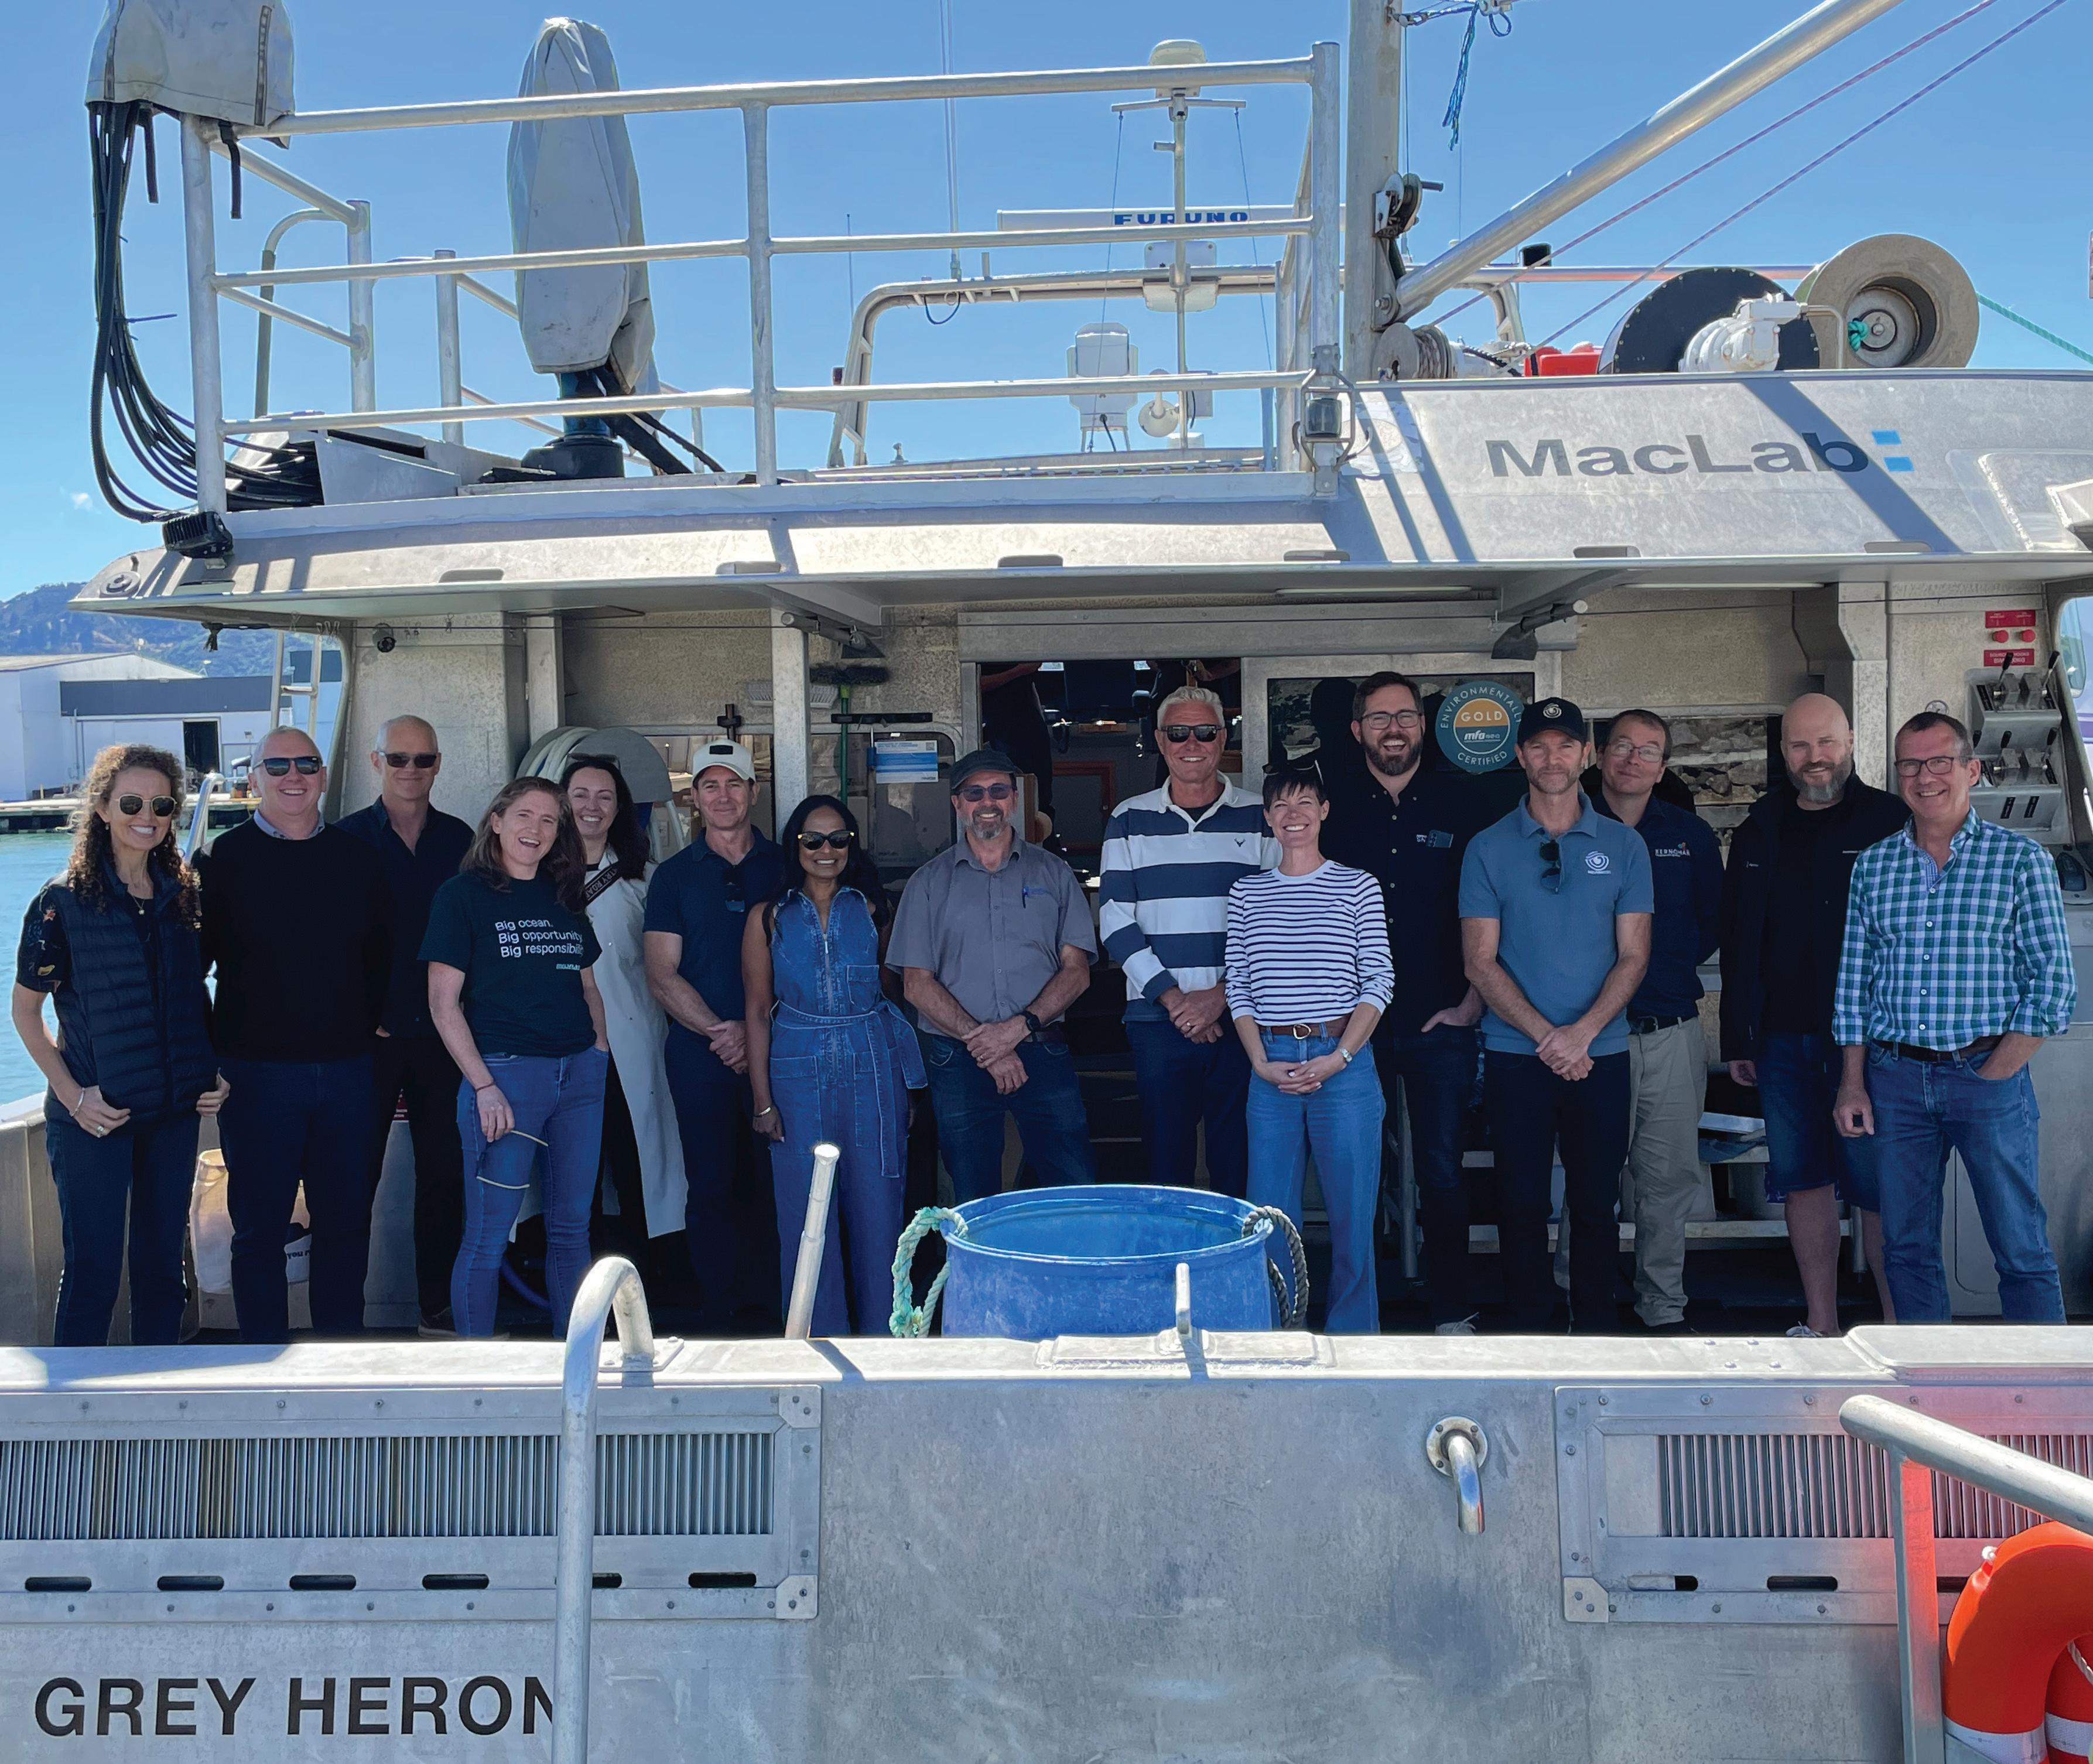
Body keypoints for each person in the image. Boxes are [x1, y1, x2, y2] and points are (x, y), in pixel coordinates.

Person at [1833, 710, 2075, 1324]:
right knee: (1906, 1248)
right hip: (1894, 1081)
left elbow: (2053, 985)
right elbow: (1853, 985)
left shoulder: (2020, 861)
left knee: (2019, 1247)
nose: (1925, 777)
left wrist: (1997, 1071)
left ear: (1972, 770)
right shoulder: (1873, 867)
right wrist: (1853, 1082)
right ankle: (1930, 1378)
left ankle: (2043, 1381)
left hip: (1985, 1074)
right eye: (1910, 765)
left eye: (1940, 762)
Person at [11, 746, 228, 1345]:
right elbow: (25, 1012)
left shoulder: (181, 893)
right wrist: (75, 1098)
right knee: (93, 1276)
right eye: (131, 803)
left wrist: (213, 1069)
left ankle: (157, 1396)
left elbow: (190, 994)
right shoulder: (61, 902)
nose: (146, 817)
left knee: (164, 1274)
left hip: (173, 1115)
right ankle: (74, 1403)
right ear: (103, 808)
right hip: (95, 1119)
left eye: (161, 805)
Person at [1459, 697, 1651, 1334]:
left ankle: (1594, 1335)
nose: (1552, 758)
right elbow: (1479, 962)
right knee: (1519, 1201)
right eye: (1539, 746)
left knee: (1596, 1201)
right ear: (1520, 756)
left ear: (1585, 754)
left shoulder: (1624, 846)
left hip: (1602, 1053)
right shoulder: (1487, 847)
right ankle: (1529, 1335)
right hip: (1517, 1056)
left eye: (1565, 745)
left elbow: (1634, 955)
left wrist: (1583, 1035)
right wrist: (1550, 1039)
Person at [1720, 692, 1905, 1336]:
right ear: (1784, 752)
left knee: (1880, 1188)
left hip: (1873, 1041)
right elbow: (1741, 936)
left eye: (1825, 742)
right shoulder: (1760, 825)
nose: (1814, 757)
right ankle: (1821, 1326)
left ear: (1850, 742)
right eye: (1800, 745)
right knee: (1802, 1181)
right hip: (1780, 1039)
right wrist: (1738, 1035)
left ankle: (1897, 1329)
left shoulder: (1890, 820)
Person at [200, 726, 388, 1343]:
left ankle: (339, 1360)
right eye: (276, 766)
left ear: (324, 776)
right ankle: (259, 1363)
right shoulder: (221, 862)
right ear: (254, 778)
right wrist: (207, 1058)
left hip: (348, 1073)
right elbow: (190, 969)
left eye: (306, 764)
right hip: (255, 1077)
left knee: (346, 1226)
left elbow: (383, 956)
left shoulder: (359, 859)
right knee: (259, 1232)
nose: (293, 776)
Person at [1323, 671, 1490, 1335]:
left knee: (1442, 1171)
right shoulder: (1331, 805)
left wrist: (1474, 1002)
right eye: (1379, 718)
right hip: (1352, 1025)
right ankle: (1359, 1314)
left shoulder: (1466, 805)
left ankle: (1452, 1309)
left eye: (1404, 717)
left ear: (1423, 725)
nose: (1393, 729)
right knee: (1353, 1173)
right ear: (1356, 729)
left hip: (1440, 1017)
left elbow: (1494, 911)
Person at [423, 777, 610, 1336]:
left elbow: (589, 987)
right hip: (505, 1079)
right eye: (524, 816)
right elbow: (442, 1005)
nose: (536, 830)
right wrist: (483, 1086)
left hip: (578, 1077)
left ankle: (574, 1362)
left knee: (572, 1231)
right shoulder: (462, 896)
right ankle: (477, 1371)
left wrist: (598, 1053)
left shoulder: (563, 895)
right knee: (487, 1237)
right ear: (497, 821)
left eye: (549, 820)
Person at [744, 796, 925, 1334]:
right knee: (806, 1212)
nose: (827, 850)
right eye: (814, 839)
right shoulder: (769, 916)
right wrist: (763, 1101)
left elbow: (896, 993)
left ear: (852, 845)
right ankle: (815, 1341)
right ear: (795, 845)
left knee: (879, 1208)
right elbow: (756, 1011)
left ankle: (886, 1339)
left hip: (872, 1065)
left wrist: (906, 1086)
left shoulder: (874, 909)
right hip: (796, 1068)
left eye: (839, 839)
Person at [888, 748, 1098, 1199]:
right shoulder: (928, 883)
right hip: (959, 1058)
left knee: (1072, 1186)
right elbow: (916, 984)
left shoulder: (1055, 873)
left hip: (1041, 1049)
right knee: (971, 1193)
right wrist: (987, 1045)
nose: (988, 801)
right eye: (975, 793)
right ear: (957, 804)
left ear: (1014, 799)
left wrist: (1016, 1030)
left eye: (999, 791)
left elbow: (1077, 972)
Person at [1225, 768, 1392, 1332]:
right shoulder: (1247, 893)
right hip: (1270, 1061)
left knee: (1352, 1214)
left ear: (1324, 811)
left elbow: (1379, 982)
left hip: (1343, 1062)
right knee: (1270, 1215)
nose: (1292, 814)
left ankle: (1354, 1340)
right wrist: (1258, 1061)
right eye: (1280, 805)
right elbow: (1239, 985)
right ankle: (1279, 1333)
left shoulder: (1358, 886)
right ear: (1267, 819)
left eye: (1304, 803)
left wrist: (1340, 1057)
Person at [1097, 685, 1275, 1198]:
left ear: (1224, 738)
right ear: (1160, 740)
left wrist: (1220, 997)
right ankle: (1168, 1253)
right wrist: (1177, 1002)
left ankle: (1233, 1253)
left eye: (1205, 732)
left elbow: (1272, 921)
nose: (1191, 743)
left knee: (1237, 1161)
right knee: (1164, 1163)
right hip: (1158, 1020)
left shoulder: (1261, 814)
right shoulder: (1128, 818)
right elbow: (1113, 920)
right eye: (1178, 733)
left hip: (1240, 1018)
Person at [1582, 709, 1723, 1334]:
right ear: (1599, 756)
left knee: (1668, 1178)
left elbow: (1713, 922)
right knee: (1590, 1176)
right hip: (1592, 1036)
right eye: (1621, 747)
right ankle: (1579, 1299)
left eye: (1647, 751)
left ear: (1663, 767)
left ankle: (1662, 1307)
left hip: (1669, 1030)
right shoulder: (1570, 826)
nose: (1632, 760)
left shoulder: (1689, 836)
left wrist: (1661, 968)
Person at [338, 715, 474, 1337]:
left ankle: (436, 1310)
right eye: (398, 759)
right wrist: (362, 1017)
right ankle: (340, 1315)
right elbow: (326, 950)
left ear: (438, 764)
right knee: (353, 1175)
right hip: (368, 1042)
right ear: (376, 763)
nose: (411, 770)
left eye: (423, 759)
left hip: (445, 1039)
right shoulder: (345, 842)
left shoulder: (461, 841)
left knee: (445, 1175)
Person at [644, 740, 785, 1332]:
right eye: (710, 786)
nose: (722, 796)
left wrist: (758, 1034)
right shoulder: (673, 877)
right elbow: (660, 973)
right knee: (709, 1183)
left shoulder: (788, 866)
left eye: (734, 784)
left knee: (777, 1178)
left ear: (753, 791)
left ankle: (779, 1307)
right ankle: (719, 1313)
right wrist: (723, 1033)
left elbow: (810, 963)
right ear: (695, 799)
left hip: (782, 1051)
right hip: (701, 1055)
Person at [564, 754, 686, 1280]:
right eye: (580, 795)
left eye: (604, 796)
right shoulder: (535, 875)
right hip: (563, 1046)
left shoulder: (647, 880)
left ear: (620, 807)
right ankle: (578, 1283)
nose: (591, 807)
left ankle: (650, 1283)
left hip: (630, 1046)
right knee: (574, 1172)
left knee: (637, 1159)